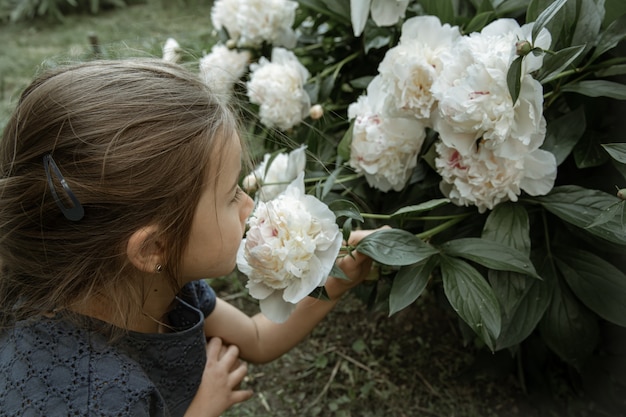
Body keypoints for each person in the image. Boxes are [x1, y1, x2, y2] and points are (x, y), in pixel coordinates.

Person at [0, 59, 377, 417]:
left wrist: (338, 275)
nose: (248, 205)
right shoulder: (79, 396)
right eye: (231, 195)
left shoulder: (164, 284)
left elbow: (258, 339)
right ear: (152, 247)